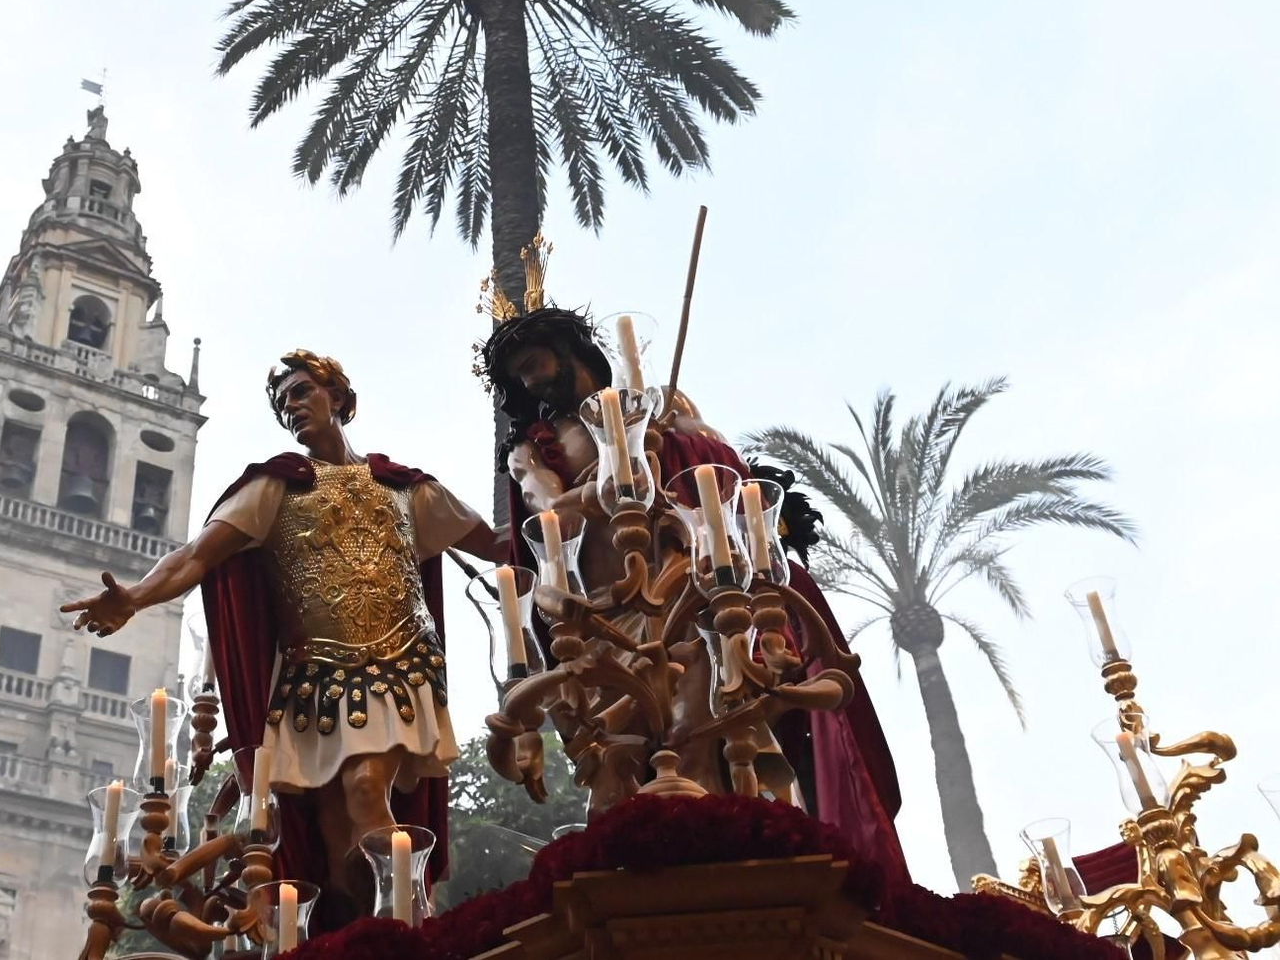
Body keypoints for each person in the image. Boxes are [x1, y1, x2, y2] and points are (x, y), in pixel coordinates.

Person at [477, 268, 909, 882]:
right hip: (606, 618)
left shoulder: (662, 406)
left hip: (690, 597)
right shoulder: (534, 447)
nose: (529, 380)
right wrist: (614, 481)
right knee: (622, 764)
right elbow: (548, 516)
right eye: (518, 374)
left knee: (709, 736)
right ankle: (644, 887)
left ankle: (729, 873)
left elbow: (724, 474)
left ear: (571, 351)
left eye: (534, 362)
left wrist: (666, 441)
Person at [61, 349, 504, 915]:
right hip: (311, 684)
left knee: (367, 789)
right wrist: (135, 597)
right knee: (333, 843)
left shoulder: (405, 489)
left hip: (396, 669)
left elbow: (499, 545)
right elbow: (196, 557)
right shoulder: (274, 487)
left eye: (300, 391)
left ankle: (413, 934)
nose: (289, 406)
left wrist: (560, 498)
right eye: (280, 402)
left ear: (337, 396)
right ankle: (350, 935)